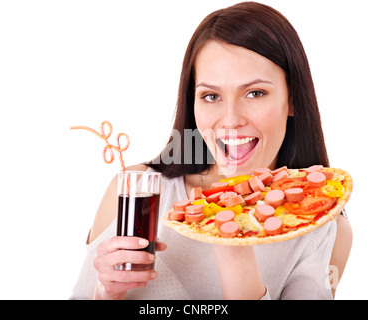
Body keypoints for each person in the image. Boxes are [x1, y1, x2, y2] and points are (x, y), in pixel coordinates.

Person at [70, 1, 352, 300]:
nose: (230, 119)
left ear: (292, 99)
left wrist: (231, 241)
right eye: (211, 95)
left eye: (255, 93)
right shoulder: (136, 192)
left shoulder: (323, 227)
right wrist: (106, 294)